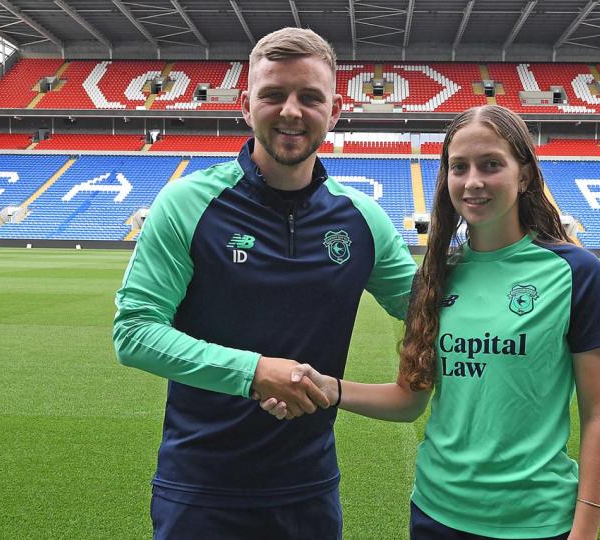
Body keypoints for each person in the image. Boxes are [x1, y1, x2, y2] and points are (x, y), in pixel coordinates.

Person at [112, 27, 417, 539]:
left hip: (309, 491)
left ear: (335, 110)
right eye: (273, 95)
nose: (291, 111)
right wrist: (252, 371)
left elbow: (431, 307)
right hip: (200, 490)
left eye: (309, 97)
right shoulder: (186, 203)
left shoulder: (363, 219)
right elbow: (135, 332)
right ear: (245, 105)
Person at [263, 105, 600, 540]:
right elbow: (409, 399)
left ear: (524, 175)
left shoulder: (575, 272)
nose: (473, 181)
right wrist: (329, 388)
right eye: (459, 167)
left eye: (491, 165)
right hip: (436, 514)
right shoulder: (436, 275)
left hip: (536, 521)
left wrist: (585, 532)